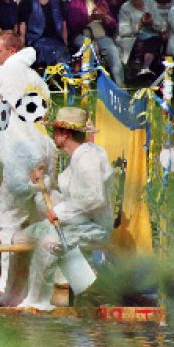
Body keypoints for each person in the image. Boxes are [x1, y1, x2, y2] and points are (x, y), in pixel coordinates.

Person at [0, 31, 56, 302]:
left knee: (8, 220)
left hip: (21, 158)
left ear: (12, 51)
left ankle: (6, 284)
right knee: (42, 216)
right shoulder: (35, 77)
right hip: (45, 152)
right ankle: (51, 280)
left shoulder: (2, 73)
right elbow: (24, 113)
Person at [15, 107, 113, 310]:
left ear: (65, 134)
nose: (53, 135)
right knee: (21, 238)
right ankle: (26, 290)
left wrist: (60, 212)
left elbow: (94, 198)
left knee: (47, 243)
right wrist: (39, 182)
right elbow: (69, 194)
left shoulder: (88, 159)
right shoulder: (77, 156)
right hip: (76, 221)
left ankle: (37, 302)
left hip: (93, 226)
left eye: (56, 131)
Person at [67, 0, 124, 87]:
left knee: (112, 49)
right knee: (88, 47)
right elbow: (73, 25)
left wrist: (106, 19)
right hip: (82, 34)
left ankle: (120, 85)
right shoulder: (75, 2)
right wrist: (90, 18)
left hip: (100, 34)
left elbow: (113, 24)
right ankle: (87, 84)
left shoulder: (101, 1)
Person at [18, 0, 68, 66]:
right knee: (45, 51)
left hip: (55, 38)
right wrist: (22, 44)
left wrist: (65, 41)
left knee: (61, 52)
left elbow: (63, 22)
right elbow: (22, 23)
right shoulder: (28, 0)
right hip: (36, 39)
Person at [117, 0, 163, 76]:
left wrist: (151, 22)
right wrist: (140, 25)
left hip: (152, 37)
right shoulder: (125, 8)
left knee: (155, 40)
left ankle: (145, 68)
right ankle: (144, 68)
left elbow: (161, 25)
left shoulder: (151, 3)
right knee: (146, 43)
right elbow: (123, 31)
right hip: (133, 38)